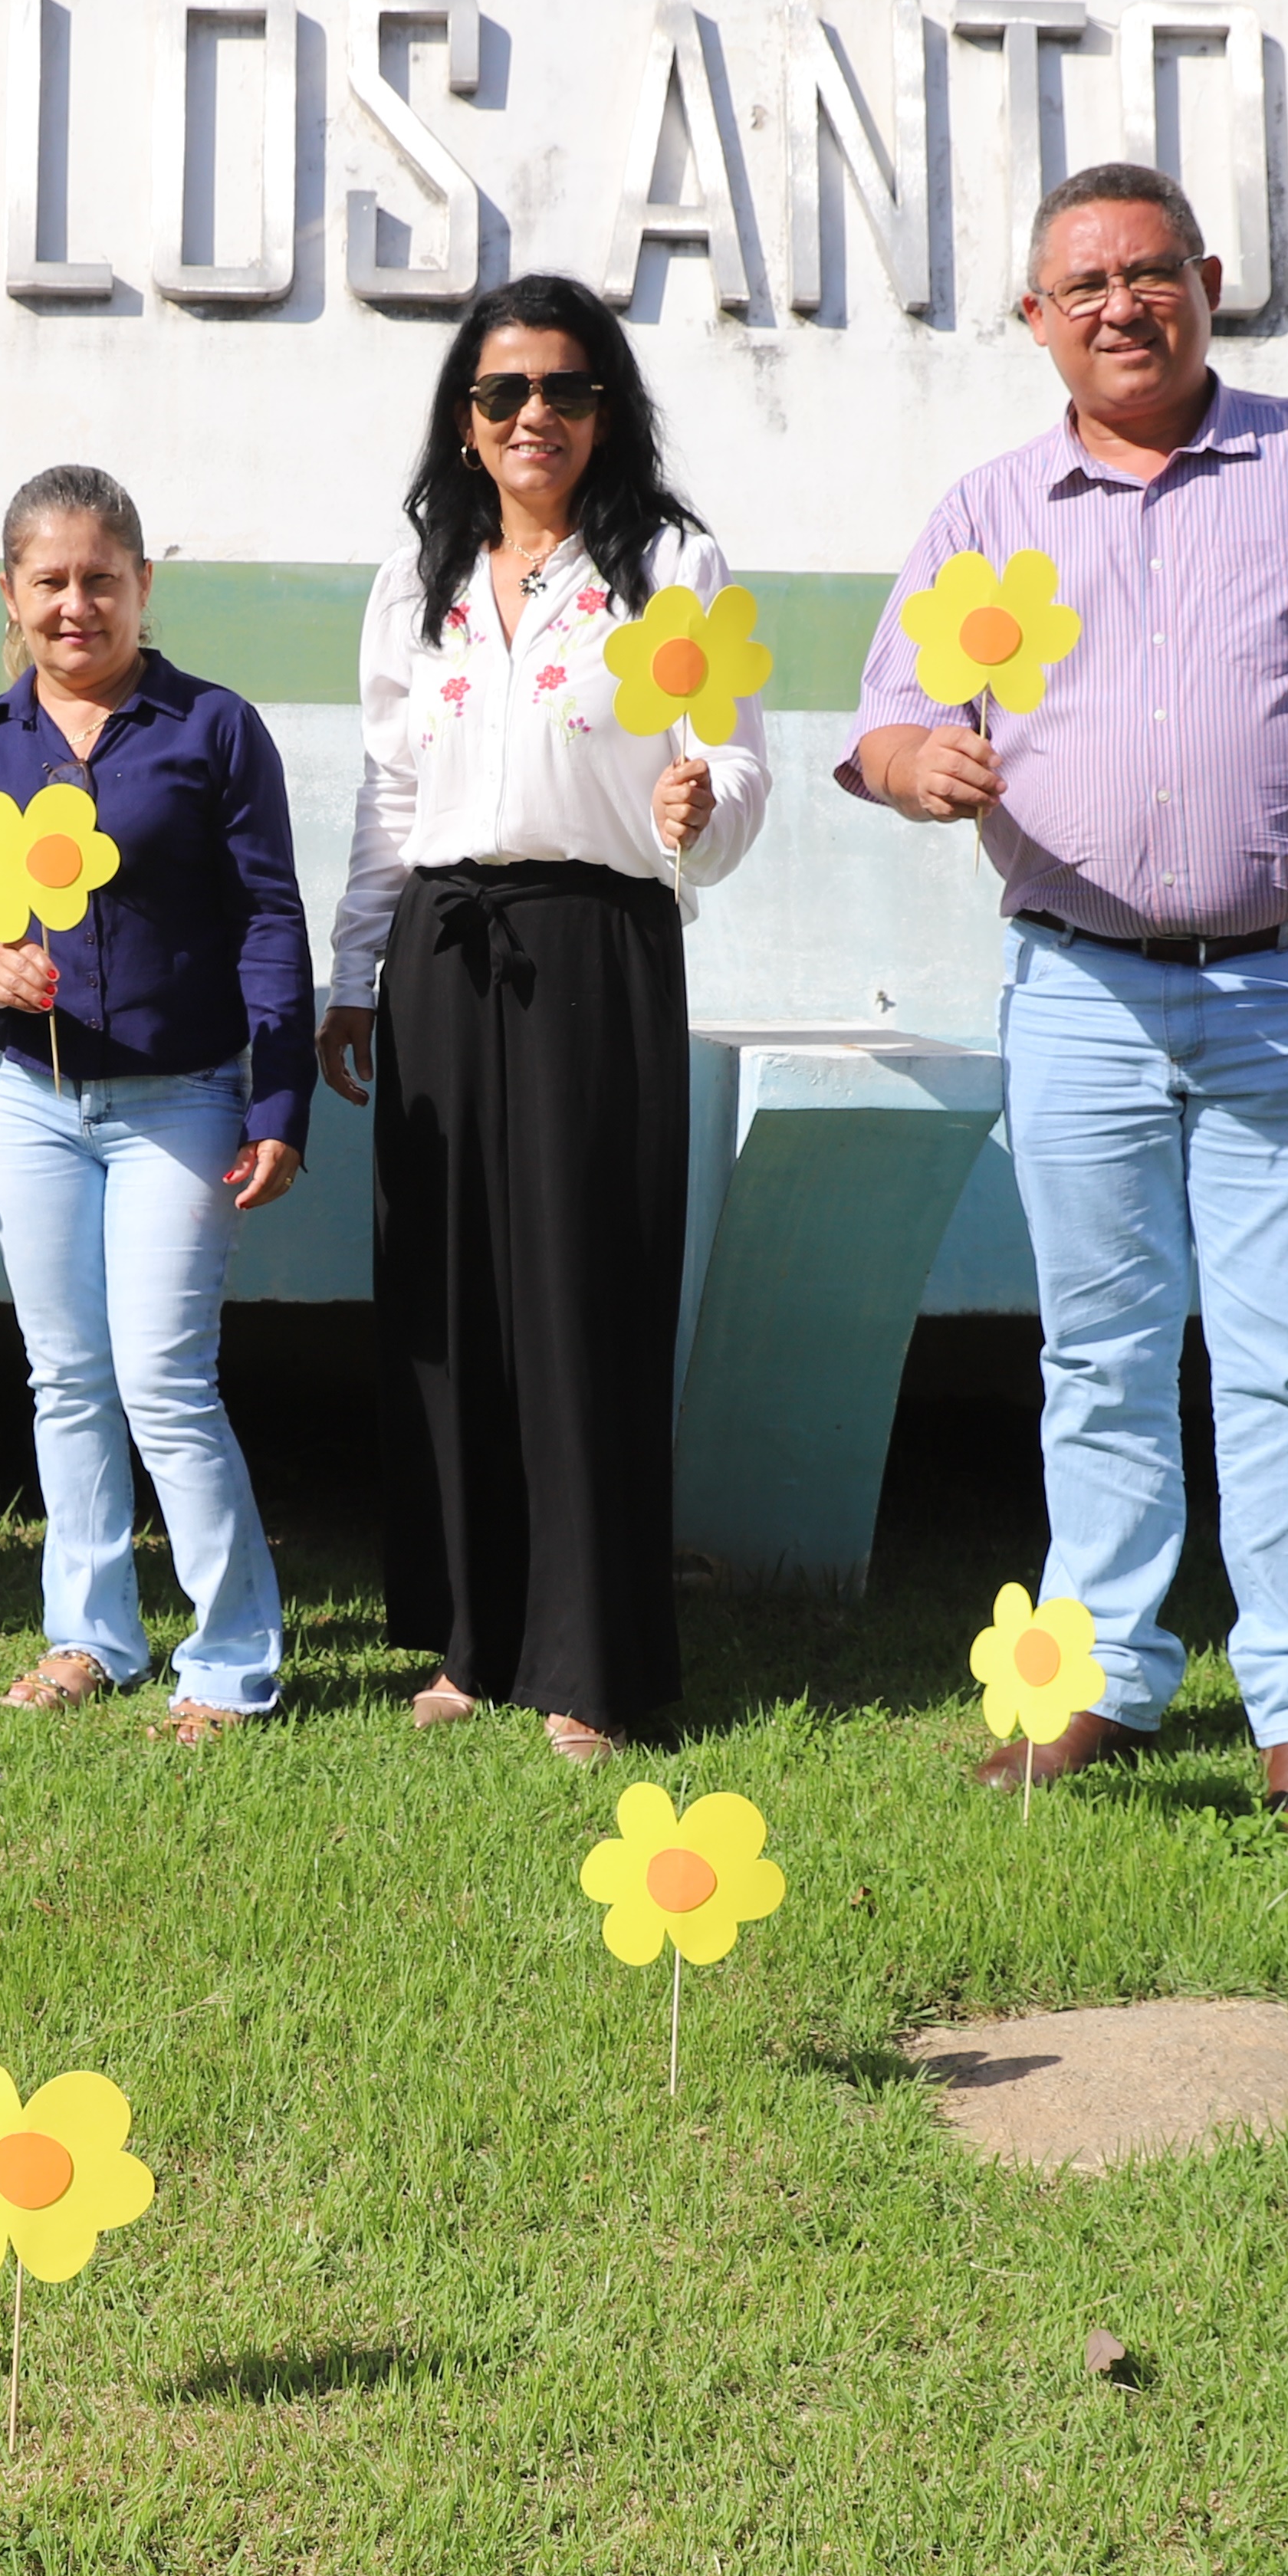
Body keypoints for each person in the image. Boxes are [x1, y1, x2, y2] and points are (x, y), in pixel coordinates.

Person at [843, 160, 1288, 1838]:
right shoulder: (992, 510)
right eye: (1083, 289)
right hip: (1074, 992)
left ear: (1208, 281)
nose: (1121, 309)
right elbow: (879, 725)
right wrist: (917, 757)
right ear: (1035, 322)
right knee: (1099, 1359)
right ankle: (1102, 1687)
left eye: (1150, 275)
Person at [320, 276, 768, 1765]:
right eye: (505, 393)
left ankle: (591, 1660)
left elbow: (735, 766)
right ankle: (473, 1636)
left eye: (567, 392)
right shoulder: (421, 574)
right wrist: (353, 973)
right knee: (451, 1303)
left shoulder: (668, 564)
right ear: (465, 419)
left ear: (607, 409)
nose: (535, 418)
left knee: (584, 1298)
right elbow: (389, 794)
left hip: (596, 947)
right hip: (443, 955)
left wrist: (699, 808)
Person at [0, 467, 311, 1739]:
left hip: (182, 1104)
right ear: (11, 598)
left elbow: (269, 922)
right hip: (31, 1100)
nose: (77, 605)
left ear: (144, 584)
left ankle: (232, 1663)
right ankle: (91, 1638)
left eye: (102, 578)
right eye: (51, 582)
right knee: (67, 1377)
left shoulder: (213, 730)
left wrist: (278, 1097)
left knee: (164, 1381)